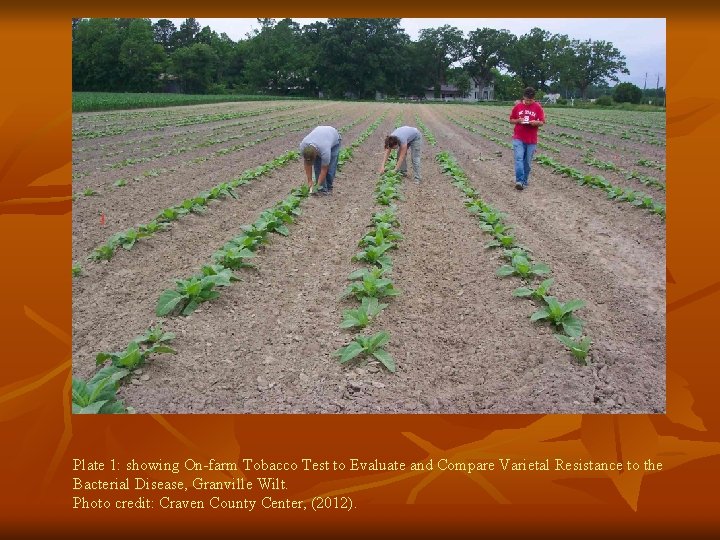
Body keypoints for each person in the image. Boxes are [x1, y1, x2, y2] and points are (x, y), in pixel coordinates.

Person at [509, 87, 546, 190]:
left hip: (531, 140)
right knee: (519, 158)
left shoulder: (538, 107)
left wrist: (536, 123)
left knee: (527, 163)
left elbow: (542, 122)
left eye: (531, 100)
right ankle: (519, 181)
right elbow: (511, 120)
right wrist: (518, 121)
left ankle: (524, 181)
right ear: (523, 97)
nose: (529, 102)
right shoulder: (518, 106)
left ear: (533, 98)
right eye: (527, 99)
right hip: (518, 137)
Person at [299, 126, 342, 195]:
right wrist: (309, 181)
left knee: (330, 169)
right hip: (320, 135)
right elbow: (307, 164)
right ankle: (322, 190)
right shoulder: (303, 147)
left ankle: (329, 188)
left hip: (334, 139)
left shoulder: (325, 151)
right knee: (317, 167)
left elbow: (324, 169)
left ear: (316, 154)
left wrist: (317, 185)